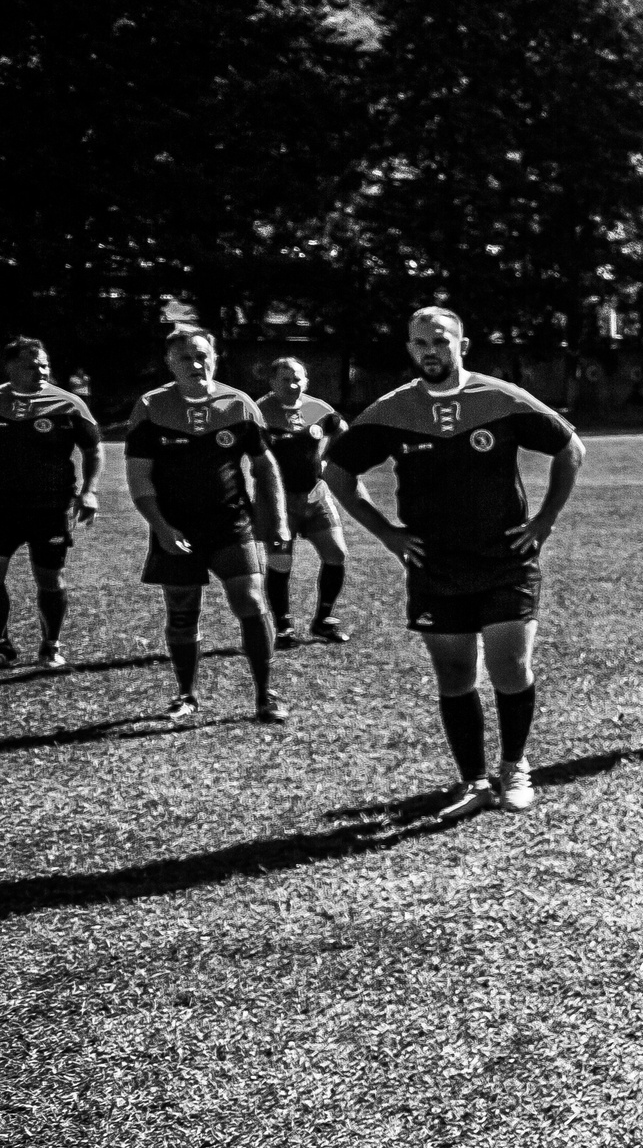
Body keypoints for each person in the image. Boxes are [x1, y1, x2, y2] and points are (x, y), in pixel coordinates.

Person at [324, 307, 584, 818]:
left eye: (440, 340)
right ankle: (472, 782)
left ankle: (515, 769)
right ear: (409, 350)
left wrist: (544, 522)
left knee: (510, 665)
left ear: (461, 345)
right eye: (420, 342)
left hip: (505, 559)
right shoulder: (391, 410)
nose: (430, 351)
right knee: (456, 674)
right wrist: (388, 534)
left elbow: (569, 449)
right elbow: (337, 475)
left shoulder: (500, 397)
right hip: (435, 566)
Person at [124, 326, 290, 723]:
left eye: (203, 356)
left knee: (250, 600)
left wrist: (279, 520)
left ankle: (266, 694)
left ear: (214, 357)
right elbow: (139, 477)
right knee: (182, 611)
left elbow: (266, 467)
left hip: (232, 524)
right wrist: (162, 528)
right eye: (186, 358)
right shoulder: (151, 406)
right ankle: (186, 694)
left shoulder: (239, 404)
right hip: (176, 526)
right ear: (170, 362)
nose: (197, 364)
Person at [0, 336, 103, 669]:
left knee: (50, 579)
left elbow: (93, 449)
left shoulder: (69, 404)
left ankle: (50, 646)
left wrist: (89, 490)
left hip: (50, 508)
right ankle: (2, 644)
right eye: (31, 365)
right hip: (2, 509)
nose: (40, 370)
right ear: (10, 366)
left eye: (44, 364)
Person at [256, 356, 352, 646]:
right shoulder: (260, 411)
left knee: (336, 554)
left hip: (315, 496)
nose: (293, 384)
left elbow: (341, 429)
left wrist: (325, 460)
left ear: (306, 381)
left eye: (298, 378)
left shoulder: (319, 409)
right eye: (285, 379)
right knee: (281, 562)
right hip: (277, 501)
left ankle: (323, 621)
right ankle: (283, 626)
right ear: (272, 382)